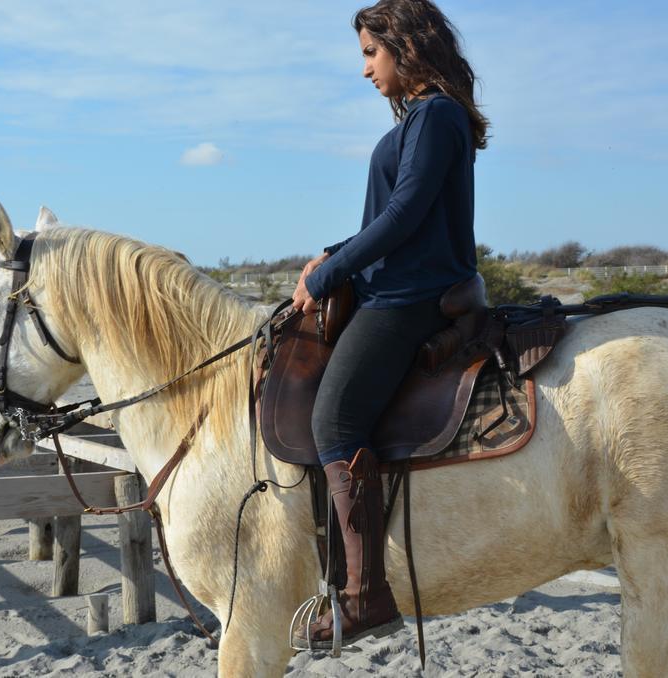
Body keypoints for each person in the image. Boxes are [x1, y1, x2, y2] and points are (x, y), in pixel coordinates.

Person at [289, 0, 490, 650]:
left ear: (405, 48)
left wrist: (326, 276)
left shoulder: (434, 114)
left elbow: (404, 217)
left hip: (411, 298)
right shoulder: (424, 119)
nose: (365, 70)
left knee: (334, 421)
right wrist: (334, 255)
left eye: (371, 54)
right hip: (399, 286)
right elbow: (397, 213)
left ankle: (366, 594)